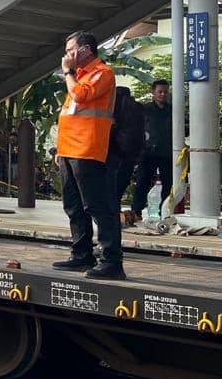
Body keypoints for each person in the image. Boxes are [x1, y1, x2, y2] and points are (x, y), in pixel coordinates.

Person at [53, 31, 123, 280]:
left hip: (87, 149)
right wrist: (59, 150)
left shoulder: (102, 73)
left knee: (96, 205)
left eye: (70, 49)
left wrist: (68, 73)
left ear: (85, 50)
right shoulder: (80, 75)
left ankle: (111, 260)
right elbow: (69, 116)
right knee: (72, 205)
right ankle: (82, 254)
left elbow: (80, 96)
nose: (67, 55)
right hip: (68, 149)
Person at [132, 79, 173, 217]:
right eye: (160, 92)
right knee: (143, 182)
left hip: (167, 152)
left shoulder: (173, 110)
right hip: (148, 152)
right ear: (153, 93)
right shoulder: (145, 110)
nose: (163, 94)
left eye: (165, 92)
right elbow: (137, 129)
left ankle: (164, 212)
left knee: (168, 184)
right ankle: (136, 211)